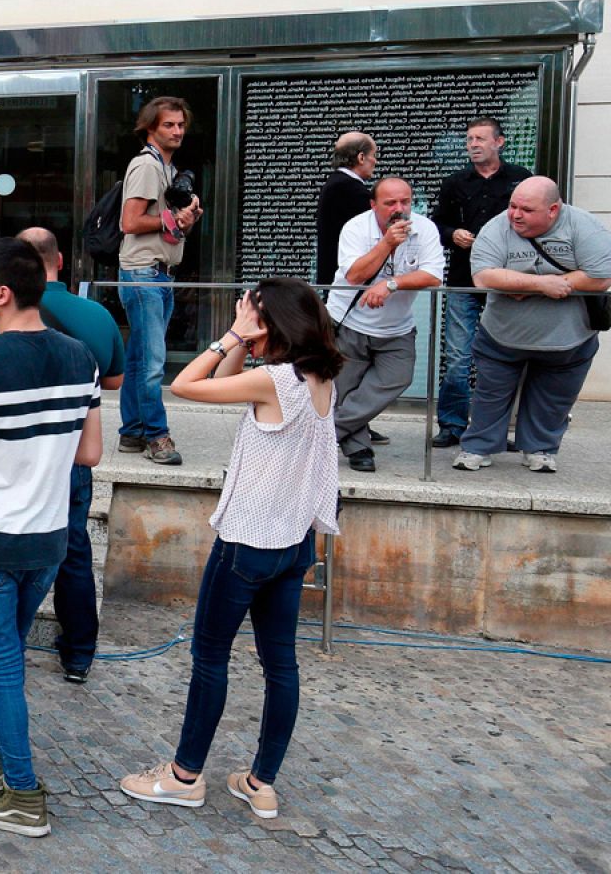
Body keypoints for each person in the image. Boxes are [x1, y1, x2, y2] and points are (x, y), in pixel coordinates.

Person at [121, 277, 343, 822]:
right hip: (293, 543)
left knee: (209, 660)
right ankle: (261, 783)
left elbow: (185, 385)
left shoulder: (273, 381)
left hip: (247, 543)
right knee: (280, 664)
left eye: (253, 313)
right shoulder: (316, 378)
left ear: (273, 324)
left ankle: (183, 777)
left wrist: (230, 334)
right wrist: (244, 341)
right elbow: (224, 380)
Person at [0, 237, 102, 837]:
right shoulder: (81, 357)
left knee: (3, 665)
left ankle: (22, 794)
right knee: (7, 656)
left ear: (2, 294)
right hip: (50, 537)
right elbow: (91, 452)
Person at [0, 226, 124, 685]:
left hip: (5, 485)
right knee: (74, 553)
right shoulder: (96, 318)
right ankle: (78, 653)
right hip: (65, 463)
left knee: (3, 615)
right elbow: (113, 383)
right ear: (60, 261)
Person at [453, 176, 610, 475]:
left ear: (553, 210)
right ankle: (477, 448)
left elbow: (601, 275)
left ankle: (541, 450)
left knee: (554, 399)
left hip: (568, 341)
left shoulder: (583, 226)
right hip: (501, 337)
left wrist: (543, 285)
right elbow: (484, 276)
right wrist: (542, 284)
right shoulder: (497, 228)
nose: (515, 214)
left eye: (526, 209)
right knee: (490, 395)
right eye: (513, 206)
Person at [326, 177, 444, 472]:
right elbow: (354, 275)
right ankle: (359, 448)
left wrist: (391, 284)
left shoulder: (424, 228)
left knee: (397, 377)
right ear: (373, 205)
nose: (399, 208)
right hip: (349, 320)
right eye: (390, 203)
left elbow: (432, 275)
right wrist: (387, 242)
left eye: (405, 201)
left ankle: (326, 434)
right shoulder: (356, 227)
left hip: (397, 327)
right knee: (345, 388)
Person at [429, 117, 532, 448]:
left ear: (499, 142)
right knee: (458, 356)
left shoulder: (521, 179)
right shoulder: (454, 182)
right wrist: (451, 234)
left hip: (509, 280)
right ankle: (452, 424)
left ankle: (507, 428)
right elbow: (437, 225)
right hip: (464, 280)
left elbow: (536, 224)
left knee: (512, 354)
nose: (473, 144)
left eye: (480, 138)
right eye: (469, 138)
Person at [117, 96, 202, 466]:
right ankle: (156, 435)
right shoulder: (147, 166)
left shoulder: (167, 169)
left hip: (156, 272)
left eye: (181, 125)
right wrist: (174, 221)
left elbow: (162, 225)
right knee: (152, 361)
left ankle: (132, 432)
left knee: (139, 358)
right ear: (150, 127)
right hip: (143, 272)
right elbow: (130, 222)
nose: (177, 131)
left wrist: (184, 219)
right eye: (169, 125)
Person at [315, 132, 376, 282]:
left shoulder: (336, 183)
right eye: (373, 155)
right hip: (347, 279)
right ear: (361, 157)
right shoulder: (349, 188)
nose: (375, 161)